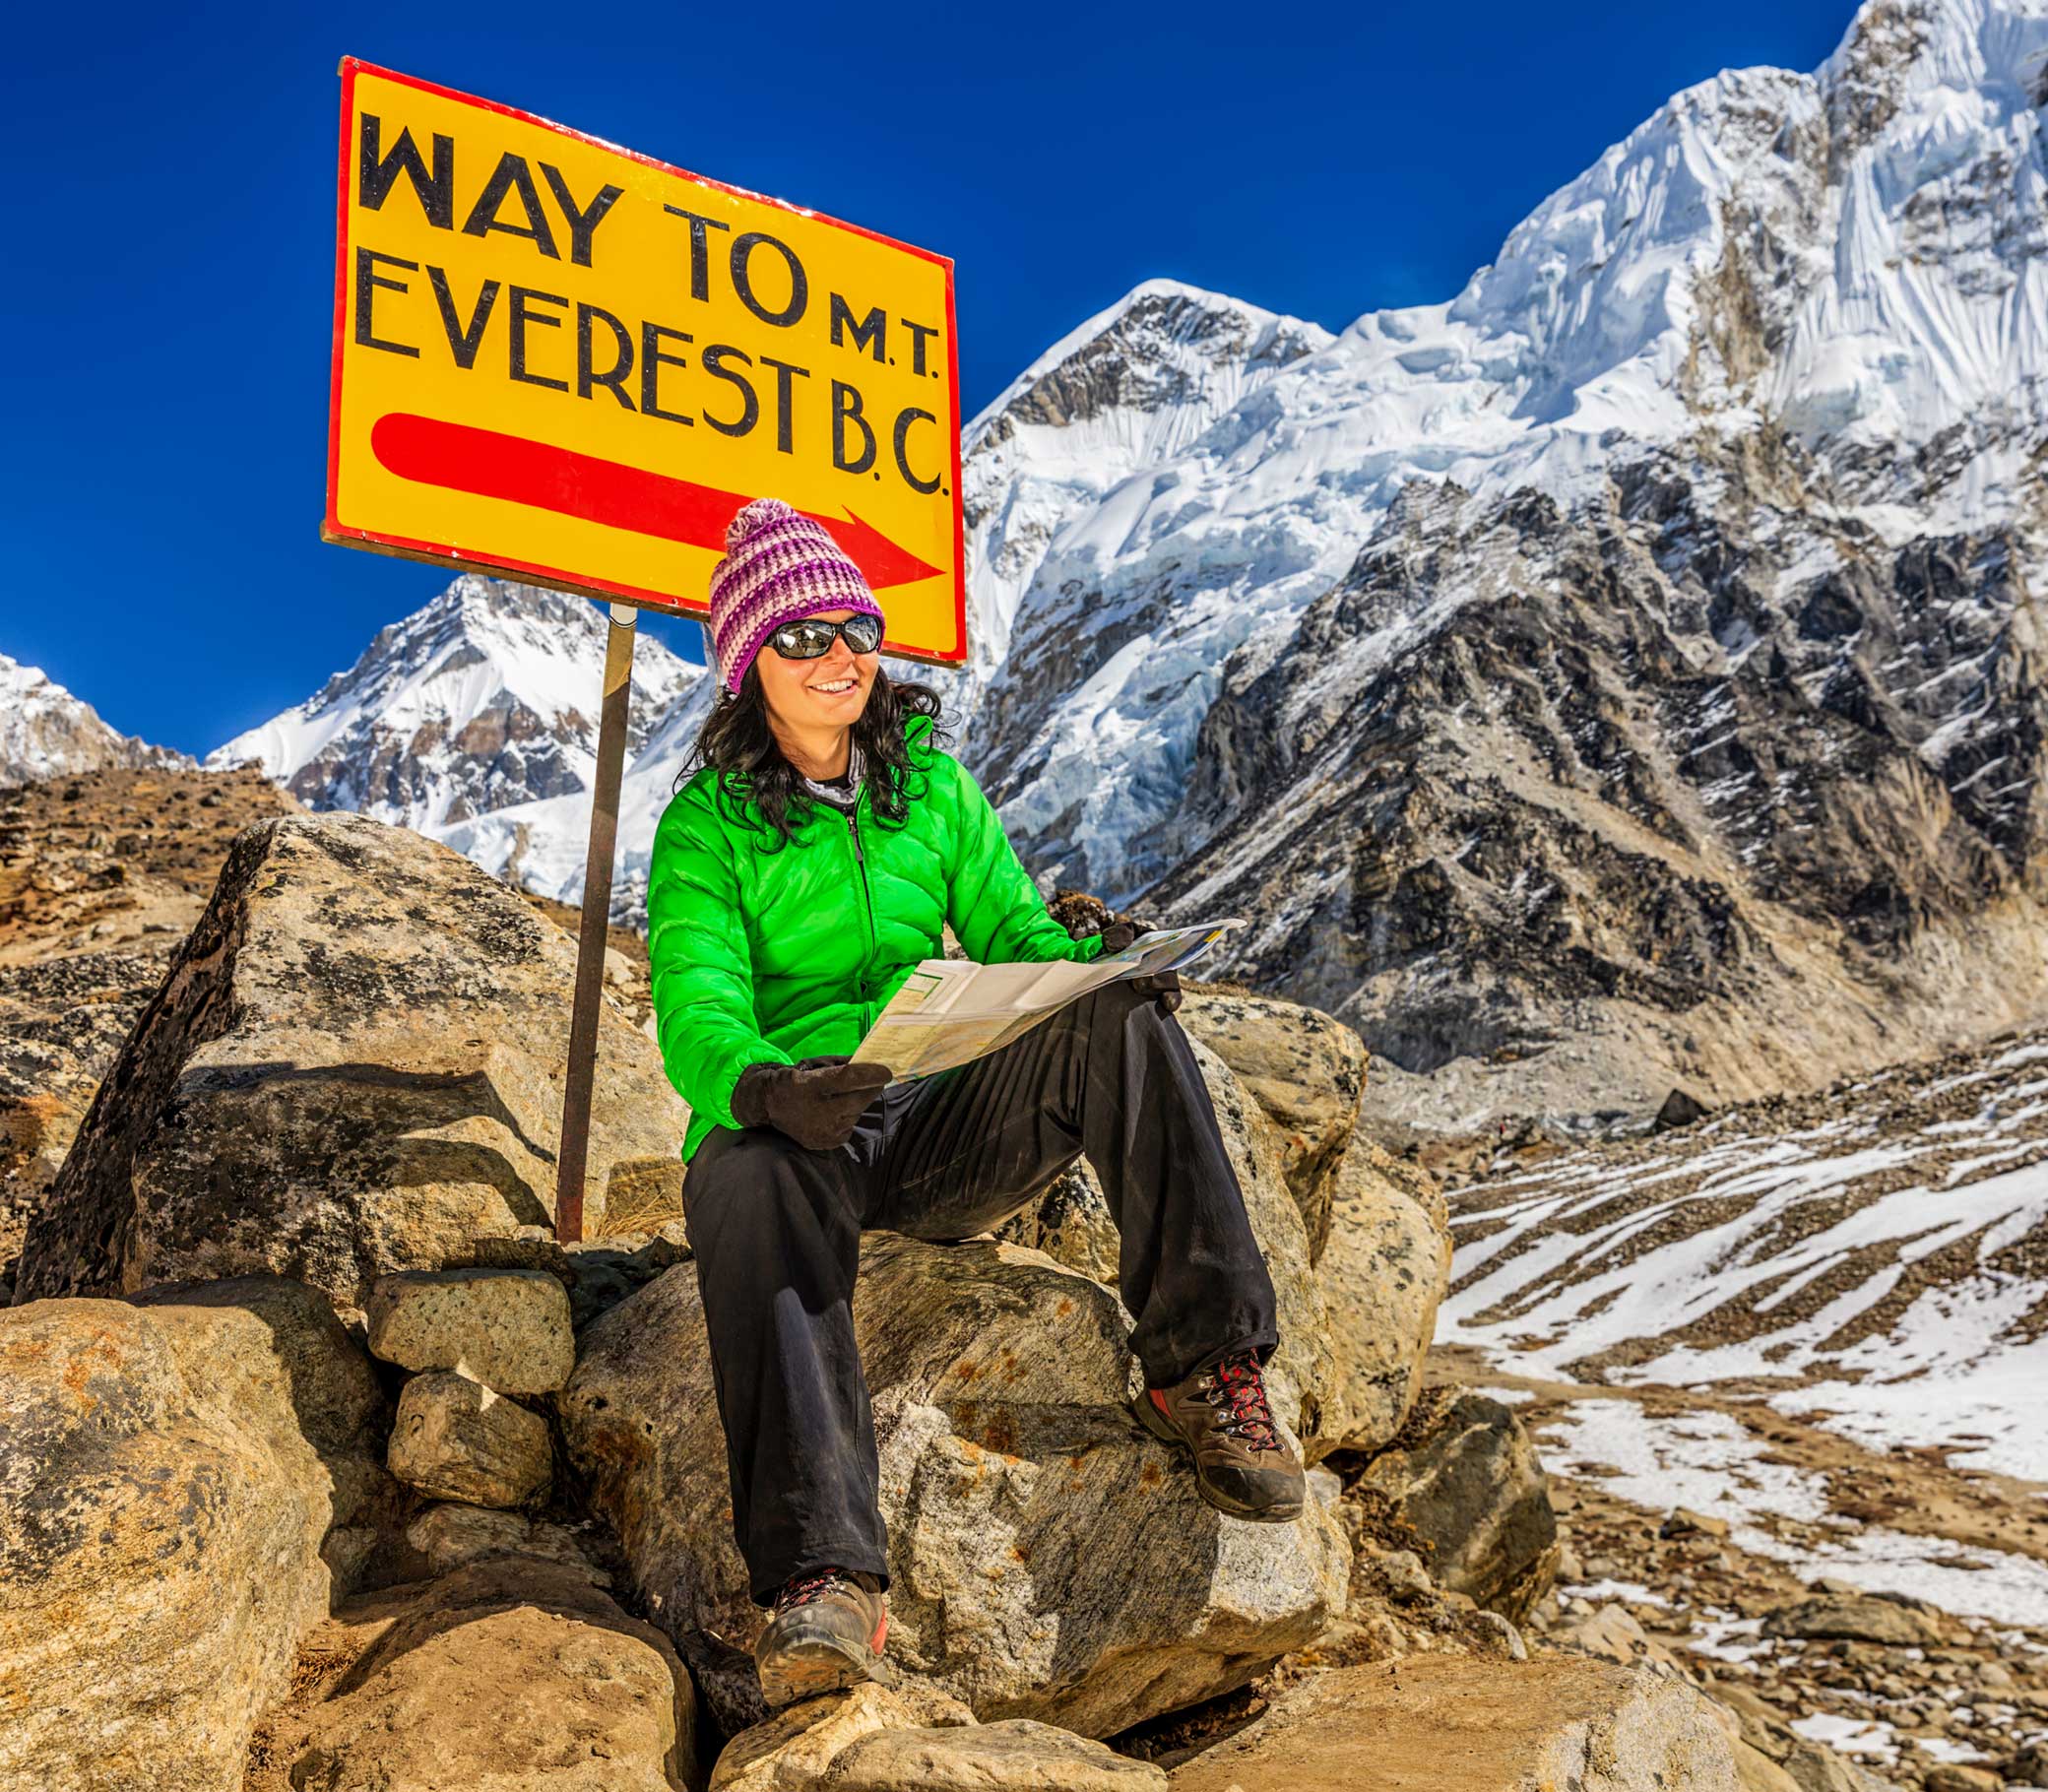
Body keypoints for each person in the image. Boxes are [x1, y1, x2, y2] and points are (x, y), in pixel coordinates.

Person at [645, 496, 1303, 1710]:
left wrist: (1084, 953)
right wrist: (759, 1083)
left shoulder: (933, 788)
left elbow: (1011, 936)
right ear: (749, 668)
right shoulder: (705, 827)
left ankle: (1203, 1367)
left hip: (937, 1118)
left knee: (1118, 1017)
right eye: (804, 639)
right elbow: (693, 999)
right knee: (739, 1171)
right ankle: (825, 1578)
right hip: (802, 1130)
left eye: (855, 627)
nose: (842, 656)